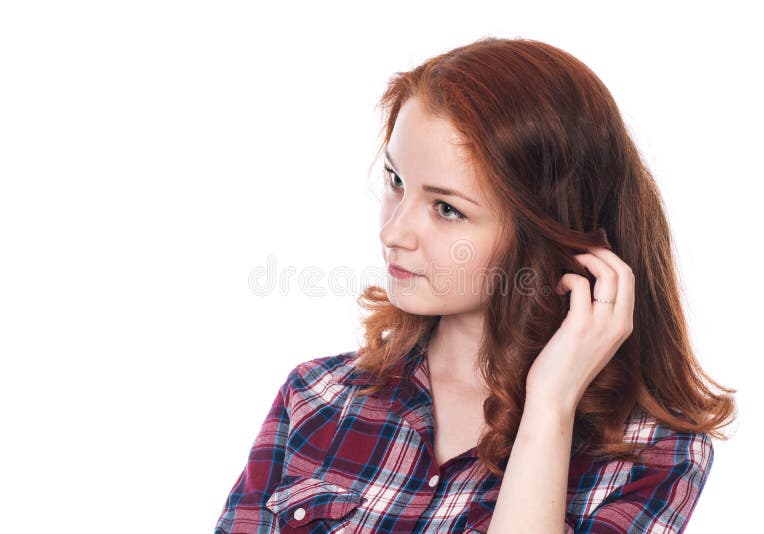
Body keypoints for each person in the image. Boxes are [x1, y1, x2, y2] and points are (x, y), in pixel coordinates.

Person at [214, 37, 736, 533]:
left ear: (551, 235)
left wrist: (548, 407)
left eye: (447, 209)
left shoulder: (653, 454)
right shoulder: (315, 398)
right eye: (396, 182)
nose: (393, 232)